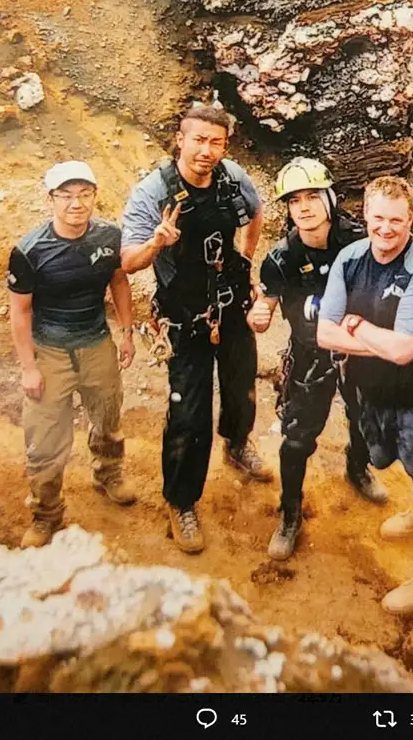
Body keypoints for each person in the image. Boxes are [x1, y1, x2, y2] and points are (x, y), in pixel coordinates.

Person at [316, 175, 413, 615]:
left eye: (396, 220)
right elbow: (325, 333)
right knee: (408, 467)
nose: (386, 229)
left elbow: (405, 352)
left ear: (411, 220)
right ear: (364, 214)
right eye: (378, 218)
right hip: (375, 392)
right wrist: (380, 342)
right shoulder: (350, 258)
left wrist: (357, 327)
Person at [120, 105, 267, 554]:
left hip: (232, 307)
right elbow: (127, 262)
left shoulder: (232, 178)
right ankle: (181, 501)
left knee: (242, 385)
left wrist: (245, 259)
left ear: (226, 145)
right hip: (185, 318)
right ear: (179, 140)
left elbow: (254, 215)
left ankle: (237, 444)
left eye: (215, 142)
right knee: (189, 413)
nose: (206, 151)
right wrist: (156, 243)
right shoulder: (153, 192)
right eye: (197, 140)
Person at [247, 157, 388, 561]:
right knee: (296, 441)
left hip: (360, 350)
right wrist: (259, 316)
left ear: (329, 198)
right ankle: (290, 513)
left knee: (365, 418)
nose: (304, 207)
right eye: (294, 201)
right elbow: (265, 308)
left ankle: (357, 468)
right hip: (310, 355)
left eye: (311, 196)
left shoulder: (360, 243)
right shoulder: (281, 258)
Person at [7, 161, 137, 548]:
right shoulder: (29, 251)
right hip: (50, 350)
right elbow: (20, 311)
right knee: (45, 439)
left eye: (84, 194)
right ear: (51, 200)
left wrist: (127, 333)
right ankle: (46, 514)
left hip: (97, 344)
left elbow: (119, 281)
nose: (76, 204)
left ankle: (109, 474)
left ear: (95, 196)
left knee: (108, 418)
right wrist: (28, 367)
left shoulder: (110, 237)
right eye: (65, 196)